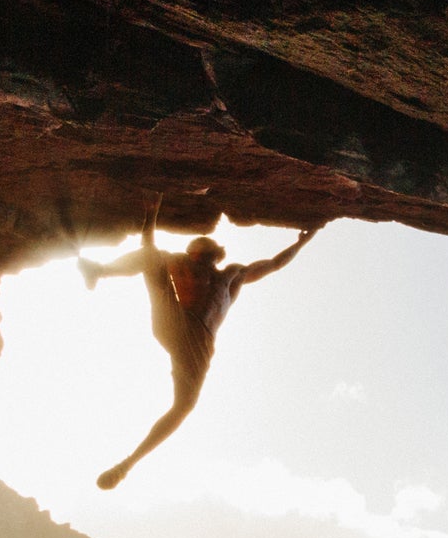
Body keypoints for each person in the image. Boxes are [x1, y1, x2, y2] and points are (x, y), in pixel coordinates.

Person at [80, 198, 323, 489]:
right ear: (193, 251)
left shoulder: (232, 275)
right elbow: (149, 251)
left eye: (207, 247)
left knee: (184, 406)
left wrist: (304, 241)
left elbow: (273, 264)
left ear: (215, 254)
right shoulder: (179, 263)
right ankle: (100, 271)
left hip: (202, 341)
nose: (202, 248)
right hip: (175, 320)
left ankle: (126, 465)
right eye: (198, 245)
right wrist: (151, 215)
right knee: (151, 255)